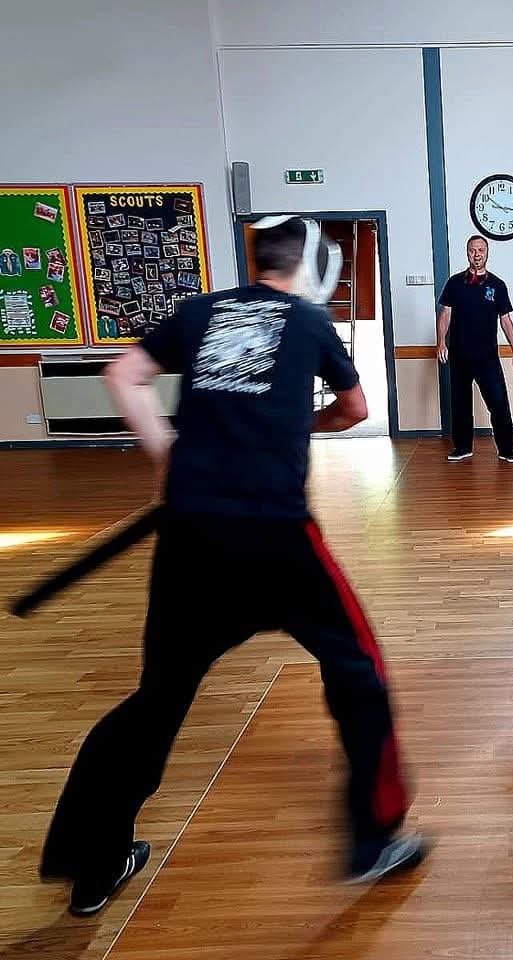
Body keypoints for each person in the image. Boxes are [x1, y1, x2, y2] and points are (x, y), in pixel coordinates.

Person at [39, 217, 428, 917]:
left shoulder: (199, 311)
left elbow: (123, 375)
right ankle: (373, 839)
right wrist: (298, 425)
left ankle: (96, 860)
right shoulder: (309, 321)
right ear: (310, 268)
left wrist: (168, 453)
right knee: (358, 670)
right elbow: (355, 410)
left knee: (157, 700)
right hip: (276, 537)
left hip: (191, 541)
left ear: (258, 263)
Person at [436, 235, 513, 463]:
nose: (477, 254)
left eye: (481, 250)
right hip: (459, 356)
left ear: (487, 253)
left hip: (487, 358)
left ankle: (507, 450)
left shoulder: (497, 285)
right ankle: (462, 447)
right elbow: (445, 313)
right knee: (460, 405)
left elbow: (506, 320)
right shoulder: (455, 283)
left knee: (499, 403)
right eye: (473, 250)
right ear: (467, 253)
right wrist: (441, 342)